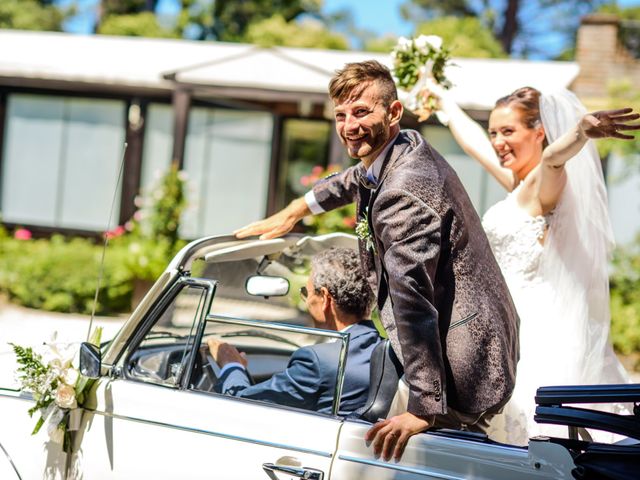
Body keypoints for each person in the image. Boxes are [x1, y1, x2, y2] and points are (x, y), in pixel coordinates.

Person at [234, 60, 520, 461]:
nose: (350, 126)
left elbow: (412, 301)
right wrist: (297, 208)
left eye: (362, 112)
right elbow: (354, 178)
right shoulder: (405, 147)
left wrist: (424, 407)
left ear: (394, 112)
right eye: (341, 115)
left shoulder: (403, 191)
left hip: (462, 364)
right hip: (478, 334)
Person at [424, 82, 638, 444]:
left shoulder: (546, 180)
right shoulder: (517, 182)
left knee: (528, 438)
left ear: (539, 131)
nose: (497, 141)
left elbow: (554, 157)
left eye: (508, 131)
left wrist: (580, 131)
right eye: (495, 131)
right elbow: (472, 142)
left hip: (534, 328)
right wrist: (439, 95)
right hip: (503, 319)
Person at [207, 247, 381, 416]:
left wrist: (231, 364)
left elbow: (241, 404)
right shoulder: (388, 350)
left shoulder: (319, 362)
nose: (306, 301)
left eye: (306, 292)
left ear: (325, 298)